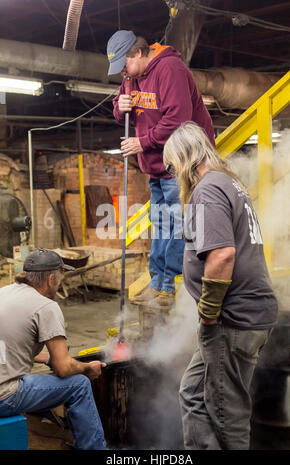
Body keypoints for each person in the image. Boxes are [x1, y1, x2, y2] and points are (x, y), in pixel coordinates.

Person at [163, 121, 278, 450]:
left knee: (228, 414)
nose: (173, 175)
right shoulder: (230, 183)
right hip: (241, 316)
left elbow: (223, 255)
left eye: (173, 166)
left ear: (185, 159)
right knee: (193, 393)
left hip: (231, 320)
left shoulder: (208, 188)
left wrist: (209, 313)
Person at [106, 30, 215, 307]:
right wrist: (121, 106)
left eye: (124, 65)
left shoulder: (170, 69)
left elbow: (178, 119)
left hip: (183, 161)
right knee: (161, 223)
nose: (123, 74)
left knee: (180, 223)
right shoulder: (132, 77)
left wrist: (142, 142)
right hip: (157, 164)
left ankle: (172, 284)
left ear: (139, 53)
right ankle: (159, 284)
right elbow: (120, 112)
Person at [0, 248, 107, 450]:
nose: (60, 282)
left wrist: (49, 358)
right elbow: (64, 368)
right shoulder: (46, 306)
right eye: (60, 276)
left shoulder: (5, 292)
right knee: (79, 385)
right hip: (4, 396)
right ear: (51, 279)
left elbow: (10, 344)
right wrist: (87, 367)